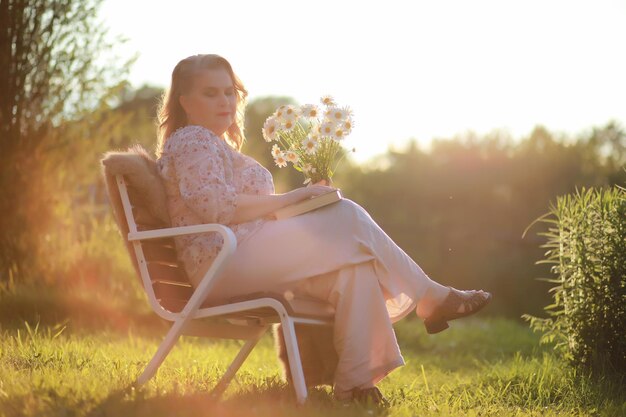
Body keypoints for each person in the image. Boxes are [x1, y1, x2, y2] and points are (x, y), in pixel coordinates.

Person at [155, 54, 491, 405]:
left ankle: (355, 386)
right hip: (221, 263)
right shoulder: (193, 139)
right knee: (347, 214)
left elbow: (243, 210)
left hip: (242, 256)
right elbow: (214, 206)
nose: (225, 101)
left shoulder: (213, 144)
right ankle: (430, 297)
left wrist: (302, 205)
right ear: (184, 101)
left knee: (354, 271)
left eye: (229, 92)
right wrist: (293, 199)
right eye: (211, 93)